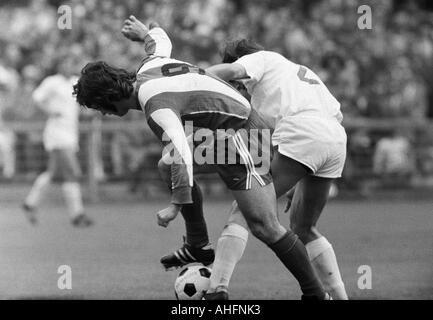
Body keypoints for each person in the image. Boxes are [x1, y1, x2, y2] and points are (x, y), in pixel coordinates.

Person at [73, 18, 329, 300]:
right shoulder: (148, 67)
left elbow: (181, 148)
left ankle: (315, 294)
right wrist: (145, 33)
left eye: (98, 107)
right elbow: (161, 41)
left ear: (107, 99)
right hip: (223, 135)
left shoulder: (154, 105)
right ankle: (198, 245)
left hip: (243, 135)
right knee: (166, 165)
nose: (102, 113)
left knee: (265, 226)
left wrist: (175, 205)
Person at [199, 39, 349, 300]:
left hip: (303, 133)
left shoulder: (263, 59)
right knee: (304, 227)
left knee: (245, 210)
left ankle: (216, 289)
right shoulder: (296, 73)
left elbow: (231, 72)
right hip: (334, 139)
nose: (237, 86)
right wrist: (295, 179)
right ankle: (340, 297)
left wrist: (197, 80)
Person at [22, 56, 93, 227]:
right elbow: (37, 97)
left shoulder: (76, 81)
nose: (68, 65)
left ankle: (30, 203)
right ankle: (77, 214)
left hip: (71, 133)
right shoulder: (51, 82)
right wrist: (50, 111)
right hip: (57, 134)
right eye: (65, 62)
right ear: (59, 65)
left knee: (53, 173)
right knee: (73, 173)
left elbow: (81, 104)